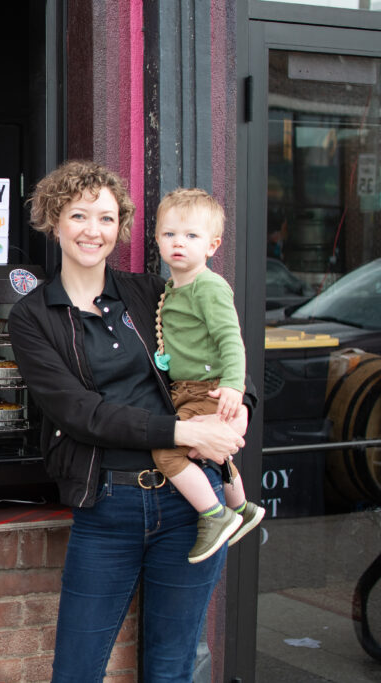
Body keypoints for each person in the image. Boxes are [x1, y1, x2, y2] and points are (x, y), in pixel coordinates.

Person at [8, 160, 254, 682]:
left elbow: (213, 349)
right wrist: (183, 431)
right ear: (55, 222)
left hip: (190, 505)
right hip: (108, 505)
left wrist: (240, 402)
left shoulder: (149, 294)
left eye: (105, 218)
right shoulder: (34, 317)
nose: (92, 231)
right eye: (78, 216)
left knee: (171, 667)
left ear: (119, 227)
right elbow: (78, 413)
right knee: (76, 670)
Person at [152, 188, 265, 563]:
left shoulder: (209, 286)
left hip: (209, 388)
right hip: (185, 389)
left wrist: (234, 386)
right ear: (156, 239)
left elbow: (231, 339)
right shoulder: (172, 289)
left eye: (191, 236)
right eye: (169, 234)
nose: (178, 243)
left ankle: (215, 516)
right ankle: (243, 509)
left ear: (212, 246)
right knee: (209, 450)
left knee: (167, 452)